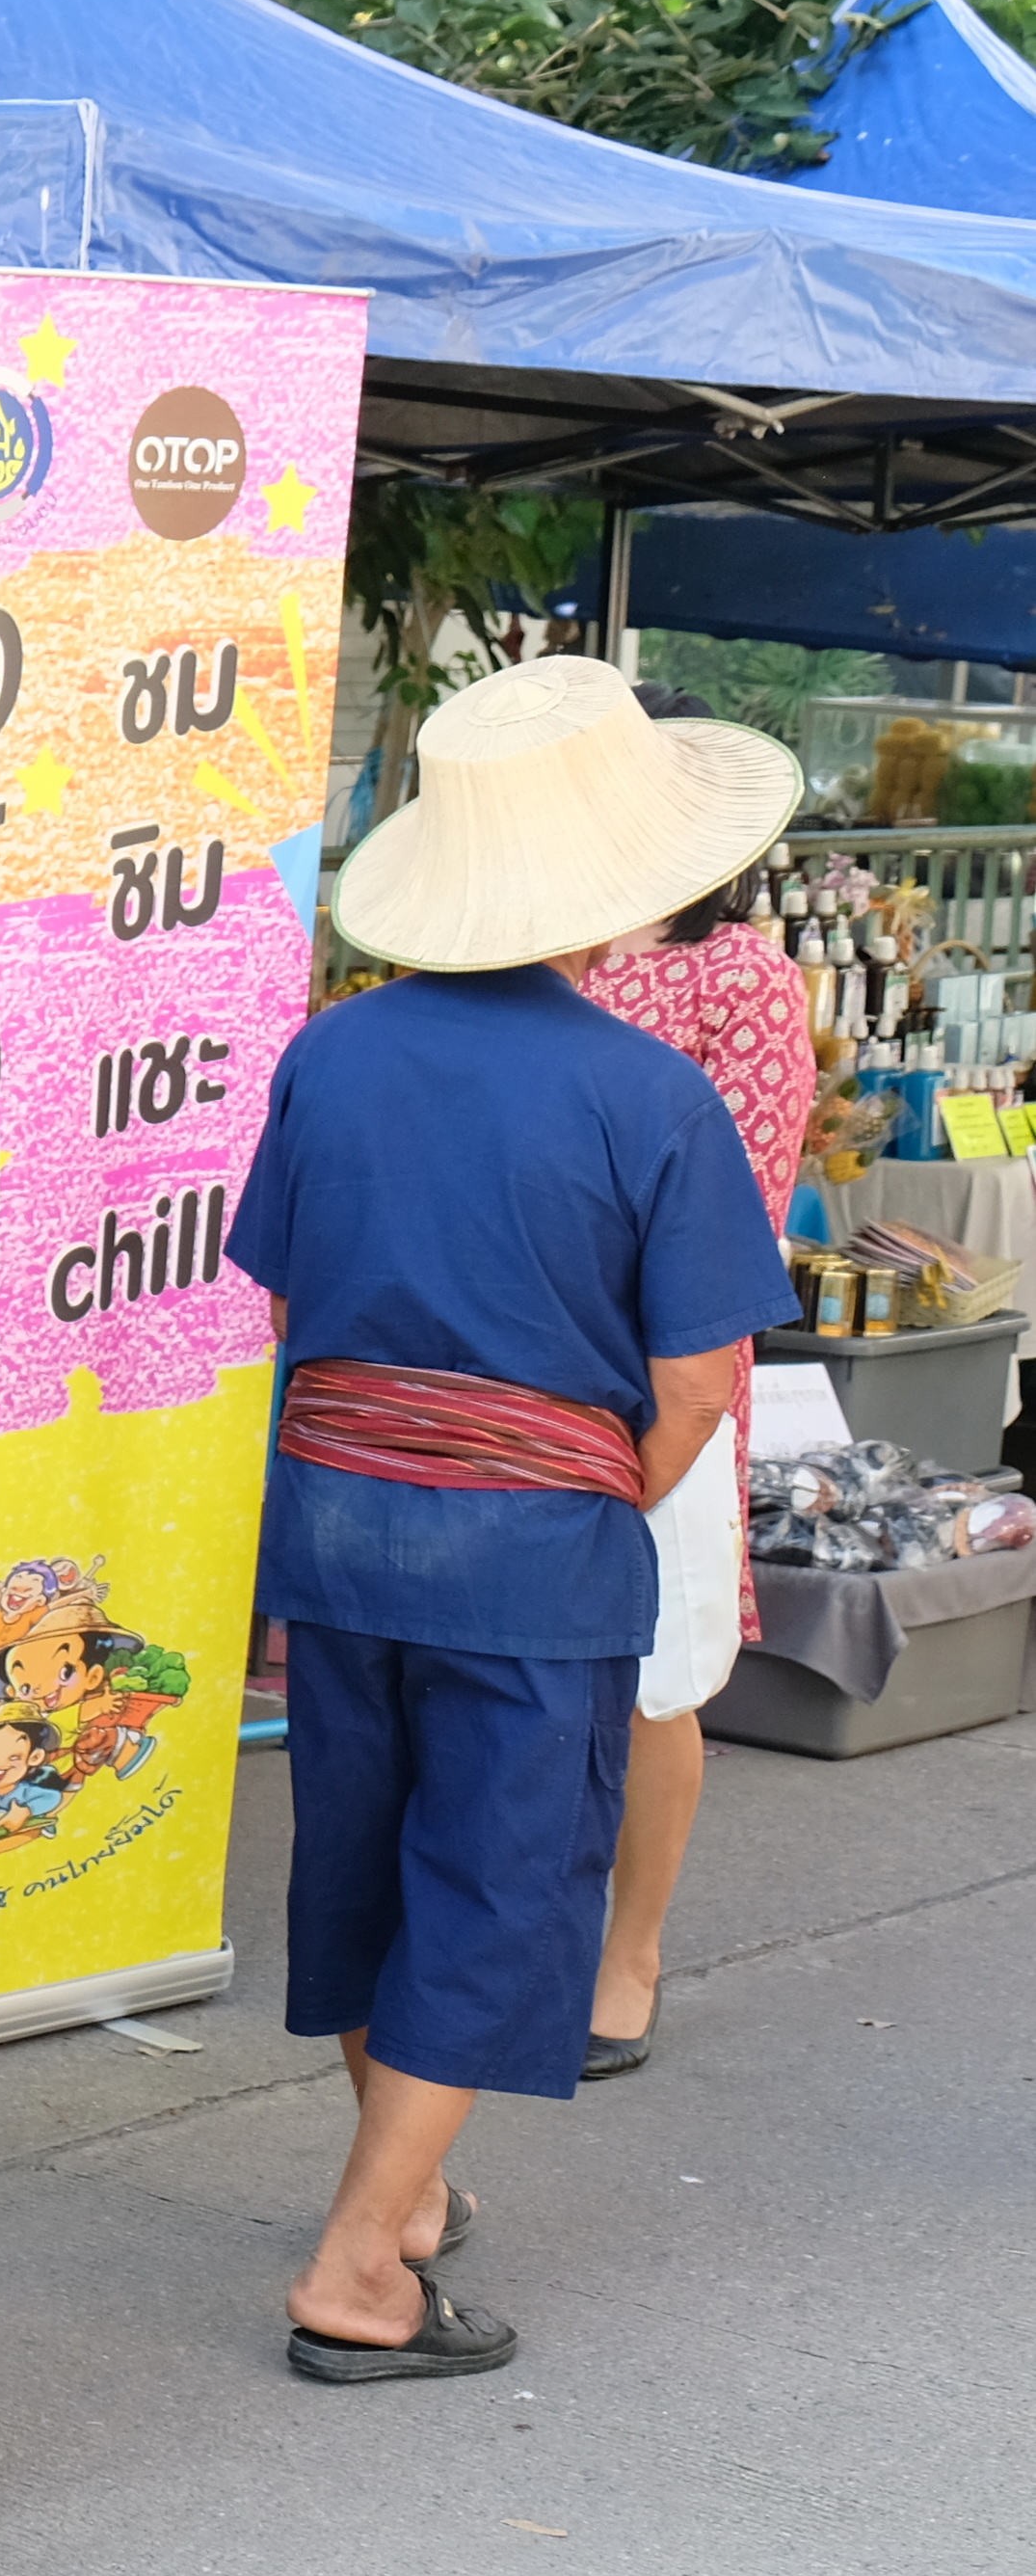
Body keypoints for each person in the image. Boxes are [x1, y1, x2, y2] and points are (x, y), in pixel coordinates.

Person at [224, 657, 797, 2391]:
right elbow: (694, 1382)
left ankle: (404, 2198)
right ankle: (357, 2260)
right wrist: (579, 1487)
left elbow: (286, 1303)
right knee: (493, 1886)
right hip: (531, 1552)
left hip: (336, 1528)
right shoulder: (650, 1094)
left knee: (363, 1861)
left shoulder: (332, 1053)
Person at [571, 686, 815, 2085]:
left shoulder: (744, 978)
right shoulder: (527, 950)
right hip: (515, 1351)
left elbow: (745, 1205)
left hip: (662, 1354)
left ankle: (631, 1951)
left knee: (653, 1675)